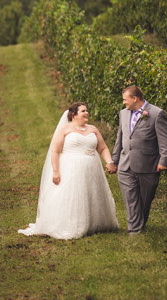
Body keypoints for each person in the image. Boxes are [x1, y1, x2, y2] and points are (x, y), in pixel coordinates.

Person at [18, 102, 119, 240]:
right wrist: (55, 171)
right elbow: (55, 151)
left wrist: (110, 162)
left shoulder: (93, 129)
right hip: (71, 169)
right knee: (74, 196)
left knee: (93, 194)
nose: (86, 113)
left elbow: (102, 148)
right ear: (73, 114)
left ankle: (95, 224)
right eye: (83, 111)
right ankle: (72, 225)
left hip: (92, 169)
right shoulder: (65, 129)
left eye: (87, 110)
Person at [112, 85, 167, 235]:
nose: (124, 103)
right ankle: (134, 230)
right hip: (126, 164)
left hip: (148, 165)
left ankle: (140, 222)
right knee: (130, 198)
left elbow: (165, 140)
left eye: (125, 100)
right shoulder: (123, 114)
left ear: (135, 98)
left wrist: (164, 161)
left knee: (145, 200)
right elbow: (120, 137)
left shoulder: (157, 114)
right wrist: (115, 159)